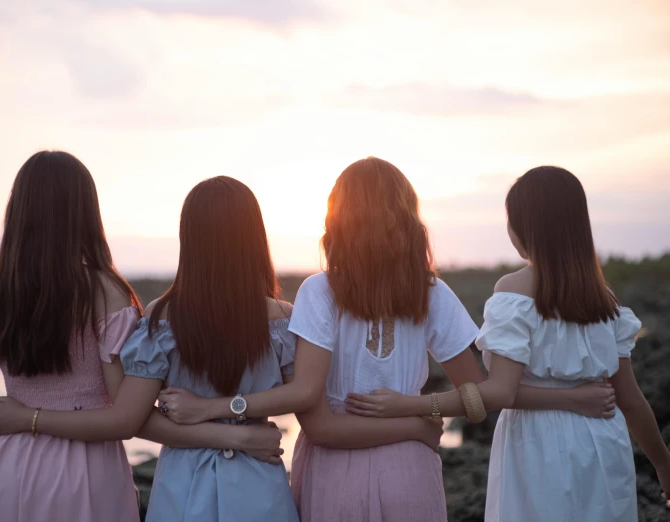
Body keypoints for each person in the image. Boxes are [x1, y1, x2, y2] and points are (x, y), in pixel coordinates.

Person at [159, 158, 619, 521]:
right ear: (405, 219)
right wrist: (419, 419)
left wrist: (415, 415)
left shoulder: (320, 291)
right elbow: (480, 398)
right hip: (411, 470)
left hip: (333, 473)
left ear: (338, 220)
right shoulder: (431, 291)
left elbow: (319, 425)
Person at [0, 153, 281, 522]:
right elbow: (126, 419)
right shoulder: (107, 294)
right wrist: (237, 436)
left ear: (19, 209)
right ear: (85, 213)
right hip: (86, 468)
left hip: (5, 469)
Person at [346, 166, 670, 521]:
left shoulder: (513, 292)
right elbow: (632, 399)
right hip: (604, 441)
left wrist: (409, 405)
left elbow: (500, 392)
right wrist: (663, 464)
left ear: (523, 229)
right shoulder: (605, 299)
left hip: (540, 442)